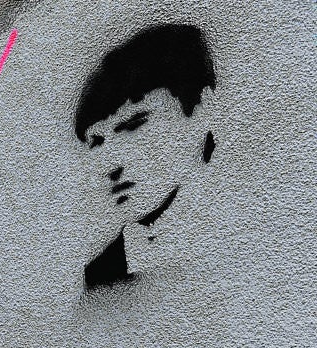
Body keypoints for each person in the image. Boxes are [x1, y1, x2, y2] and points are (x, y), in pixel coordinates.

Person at [73, 23, 216, 288]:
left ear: (202, 112)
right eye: (97, 142)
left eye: (133, 124)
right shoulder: (100, 280)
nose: (111, 162)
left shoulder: (255, 245)